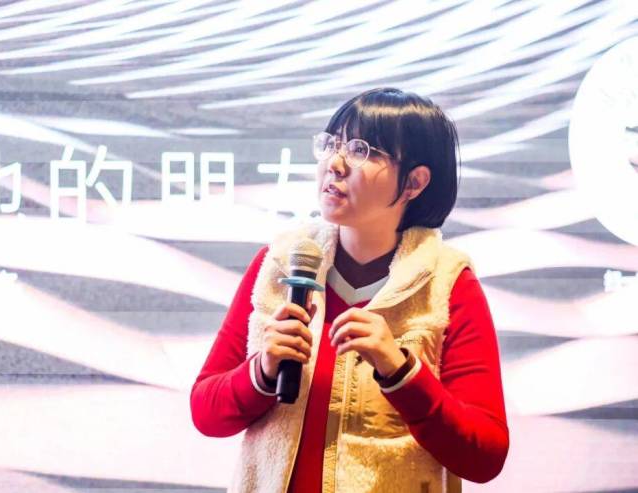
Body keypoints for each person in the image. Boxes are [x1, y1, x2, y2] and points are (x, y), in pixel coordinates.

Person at [190, 87, 509, 493]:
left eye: (362, 150)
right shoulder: (280, 264)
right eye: (331, 145)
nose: (335, 164)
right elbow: (206, 413)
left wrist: (401, 371)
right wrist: (262, 370)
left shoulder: (447, 283)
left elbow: (485, 456)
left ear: (414, 182)